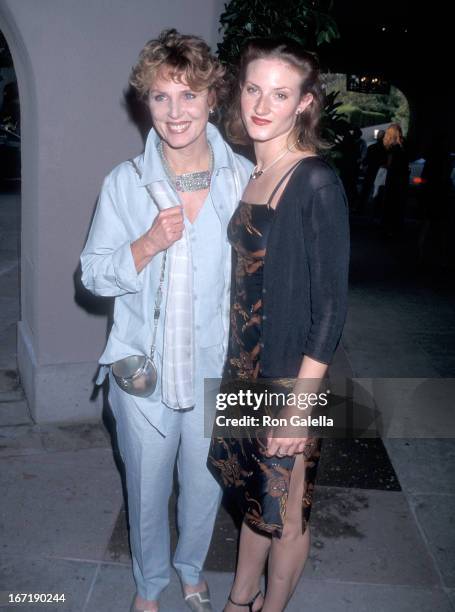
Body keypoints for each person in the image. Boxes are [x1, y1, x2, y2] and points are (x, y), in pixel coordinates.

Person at [80, 29, 252, 612]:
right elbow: (94, 275)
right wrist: (147, 243)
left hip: (217, 373)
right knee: (148, 491)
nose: (176, 112)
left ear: (212, 99)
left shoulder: (244, 181)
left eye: (189, 95)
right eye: (160, 97)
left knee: (205, 488)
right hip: (143, 375)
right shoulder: (125, 184)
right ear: (145, 103)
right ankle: (150, 586)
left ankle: (191, 570)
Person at [208, 38, 350, 612]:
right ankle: (240, 597)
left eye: (281, 93)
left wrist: (298, 405)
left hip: (288, 379)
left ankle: (269, 607)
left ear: (305, 104)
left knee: (287, 508)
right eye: (253, 89)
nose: (263, 105)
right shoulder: (255, 171)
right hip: (245, 368)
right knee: (253, 495)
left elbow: (331, 307)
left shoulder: (313, 181)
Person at [381, 123, 409, 235]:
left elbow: (390, 165)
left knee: (389, 203)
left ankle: (388, 229)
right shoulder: (404, 145)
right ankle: (397, 227)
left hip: (392, 179)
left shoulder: (392, 148)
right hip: (403, 178)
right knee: (399, 204)